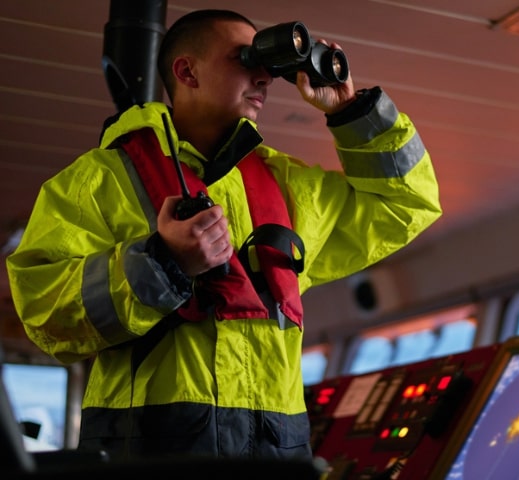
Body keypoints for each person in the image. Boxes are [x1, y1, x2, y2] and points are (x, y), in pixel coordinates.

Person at [6, 9, 441, 463]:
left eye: (264, 63)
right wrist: (162, 262)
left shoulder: (290, 186)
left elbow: (406, 205)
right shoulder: (97, 182)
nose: (263, 77)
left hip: (276, 455)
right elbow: (42, 312)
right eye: (244, 58)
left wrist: (352, 113)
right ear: (186, 71)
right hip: (150, 453)